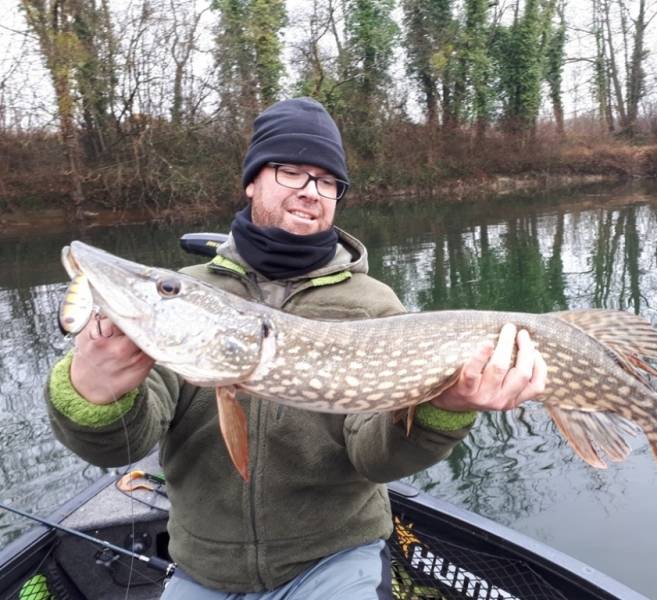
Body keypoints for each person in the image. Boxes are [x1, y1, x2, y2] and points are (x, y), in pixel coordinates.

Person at [46, 97, 548, 599]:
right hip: (204, 568)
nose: (312, 191)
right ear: (251, 181)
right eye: (292, 172)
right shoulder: (188, 295)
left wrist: (445, 408)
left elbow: (375, 456)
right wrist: (90, 389)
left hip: (333, 560)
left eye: (327, 181)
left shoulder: (372, 305)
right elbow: (121, 447)